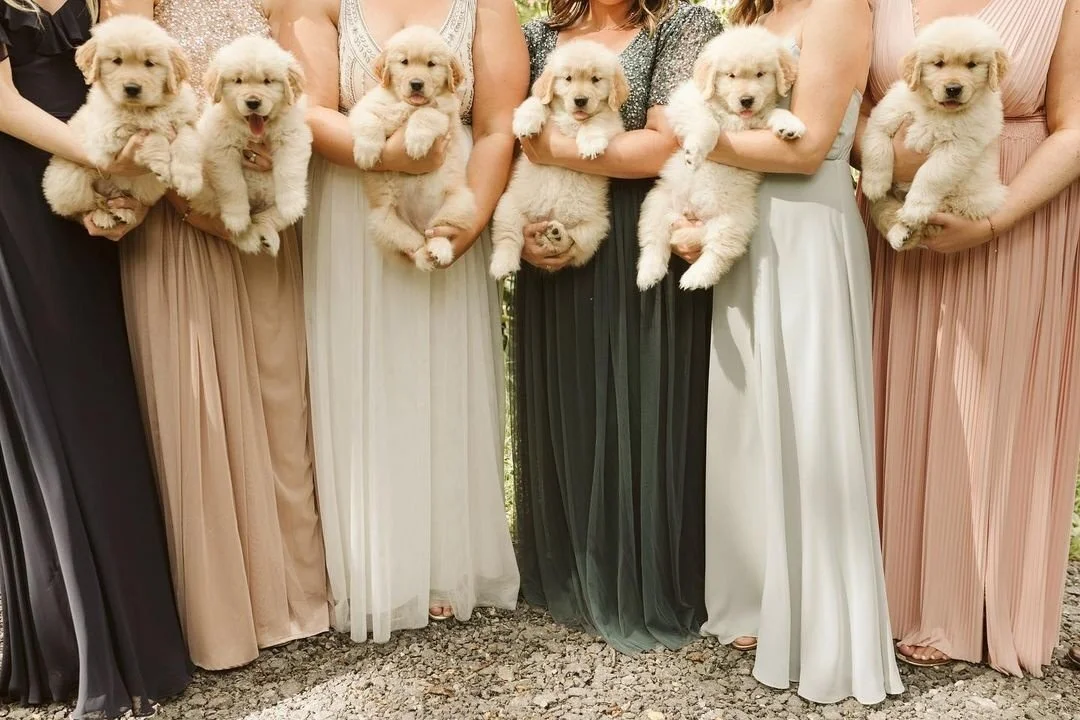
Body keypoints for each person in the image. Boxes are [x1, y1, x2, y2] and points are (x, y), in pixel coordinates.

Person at [275, 0, 523, 639]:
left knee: (441, 374)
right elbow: (309, 109)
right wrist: (391, 159)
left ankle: (448, 560)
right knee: (366, 379)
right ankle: (376, 566)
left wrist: (468, 221)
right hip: (358, 202)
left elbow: (496, 126)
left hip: (449, 195)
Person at [99, 0, 329, 671]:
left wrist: (271, 166)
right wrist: (189, 202)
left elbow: (308, 95)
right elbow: (123, 98)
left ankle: (301, 595)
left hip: (262, 218)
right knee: (203, 408)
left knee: (280, 402)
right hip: (181, 220)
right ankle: (227, 614)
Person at [855, 0, 1080, 676]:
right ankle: (879, 594)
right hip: (893, 222)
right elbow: (852, 106)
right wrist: (887, 173)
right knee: (898, 399)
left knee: (993, 408)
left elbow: (1074, 127)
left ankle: (969, 606)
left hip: (1015, 208)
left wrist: (992, 222)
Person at [699, 0, 903, 705]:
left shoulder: (839, 8)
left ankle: (821, 619)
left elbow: (808, 147)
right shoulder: (757, 13)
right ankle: (758, 597)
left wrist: (694, 138)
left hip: (807, 225)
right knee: (750, 411)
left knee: (811, 416)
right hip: (749, 220)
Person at [510, 0, 722, 653]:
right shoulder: (538, 34)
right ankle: (575, 568)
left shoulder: (683, 26)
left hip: (638, 236)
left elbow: (664, 143)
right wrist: (520, 229)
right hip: (559, 231)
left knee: (642, 400)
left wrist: (551, 146)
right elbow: (511, 137)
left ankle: (650, 575)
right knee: (572, 398)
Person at [0, 0, 191, 716]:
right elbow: (1, 102)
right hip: (20, 198)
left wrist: (132, 194)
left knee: (114, 400)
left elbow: (147, 75)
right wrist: (103, 157)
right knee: (59, 405)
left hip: (101, 191)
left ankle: (144, 637)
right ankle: (78, 647)